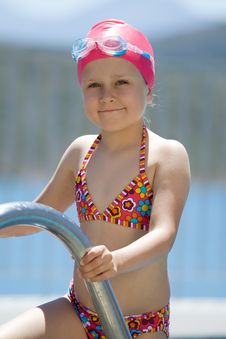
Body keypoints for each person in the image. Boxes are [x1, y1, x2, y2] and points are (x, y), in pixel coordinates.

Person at [0, 19, 190, 338]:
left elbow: (164, 235)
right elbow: (35, 216)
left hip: (139, 324)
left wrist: (115, 261)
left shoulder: (165, 155)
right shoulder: (80, 152)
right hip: (80, 311)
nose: (107, 96)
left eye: (121, 83)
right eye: (94, 85)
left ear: (148, 87)